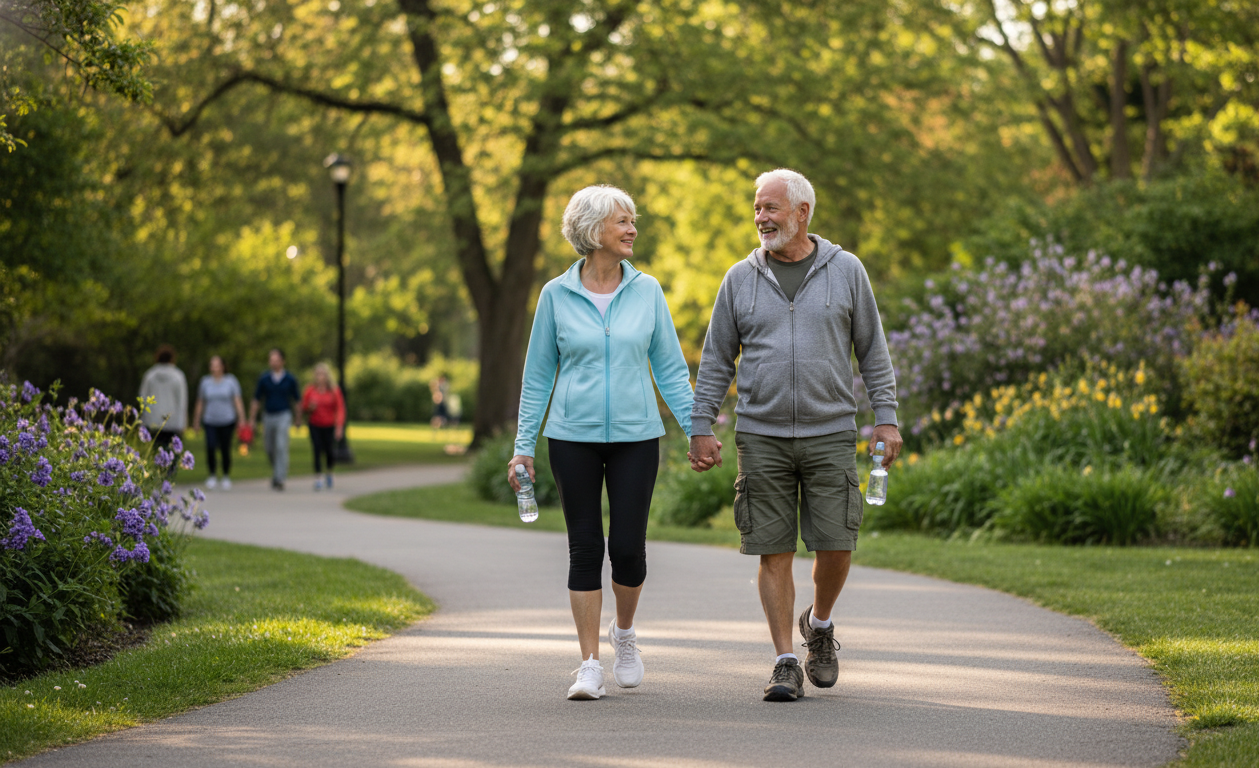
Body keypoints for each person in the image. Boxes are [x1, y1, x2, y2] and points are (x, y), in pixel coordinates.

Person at [688, 169, 903, 702]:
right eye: (757, 208)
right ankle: (785, 661)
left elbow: (873, 350)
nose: (760, 217)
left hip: (830, 430)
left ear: (802, 212)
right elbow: (716, 359)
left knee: (837, 542)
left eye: (771, 208)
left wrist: (887, 417)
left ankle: (820, 624)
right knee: (773, 549)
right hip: (760, 434)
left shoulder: (846, 270)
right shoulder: (739, 278)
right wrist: (700, 425)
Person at [508, 185, 696, 701]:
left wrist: (697, 430)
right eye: (623, 221)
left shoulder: (647, 290)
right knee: (585, 546)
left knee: (629, 550)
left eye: (633, 220)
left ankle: (625, 635)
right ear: (593, 230)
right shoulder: (555, 295)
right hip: (572, 437)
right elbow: (537, 376)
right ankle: (589, 663)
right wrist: (523, 446)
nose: (633, 229)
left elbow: (671, 371)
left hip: (637, 436)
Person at [248, 348, 302, 491]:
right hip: (268, 416)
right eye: (271, 360)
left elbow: (297, 401)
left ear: (283, 361)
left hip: (284, 415)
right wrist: (252, 419)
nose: (274, 363)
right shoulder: (264, 379)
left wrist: (298, 419)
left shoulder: (290, 379)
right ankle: (276, 471)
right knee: (269, 448)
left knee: (281, 446)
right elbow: (256, 400)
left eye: (276, 360)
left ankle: (280, 478)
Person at [191, 355, 246, 491]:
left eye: (216, 365)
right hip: (210, 420)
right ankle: (212, 475)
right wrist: (196, 421)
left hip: (227, 420)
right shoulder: (205, 382)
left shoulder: (231, 381)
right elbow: (200, 402)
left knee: (225, 448)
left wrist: (242, 418)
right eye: (212, 365)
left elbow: (237, 400)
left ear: (222, 366)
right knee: (210, 447)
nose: (214, 368)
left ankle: (226, 475)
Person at [301, 362, 346, 492]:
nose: (320, 377)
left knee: (329, 451)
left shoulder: (334, 391)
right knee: (316, 449)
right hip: (314, 424)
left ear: (327, 376)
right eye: (318, 374)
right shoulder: (310, 390)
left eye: (322, 374)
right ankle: (318, 477)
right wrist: (310, 407)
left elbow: (340, 409)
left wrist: (339, 426)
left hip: (329, 425)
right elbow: (303, 407)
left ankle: (329, 471)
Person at [139, 344, 188, 454]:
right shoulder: (178, 376)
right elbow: (182, 401)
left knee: (154, 453)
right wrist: (183, 423)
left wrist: (144, 419)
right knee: (172, 453)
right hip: (173, 421)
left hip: (153, 420)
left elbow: (143, 398)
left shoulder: (149, 375)